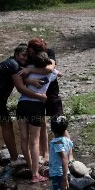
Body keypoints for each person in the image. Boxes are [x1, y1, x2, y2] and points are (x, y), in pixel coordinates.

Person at [0, 45, 47, 171]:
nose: (25, 58)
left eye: (27, 56)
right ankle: (14, 159)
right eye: (23, 55)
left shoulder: (12, 64)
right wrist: (38, 96)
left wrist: (30, 81)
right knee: (7, 124)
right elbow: (20, 88)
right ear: (16, 54)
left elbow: (22, 79)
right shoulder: (13, 64)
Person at [19, 37, 68, 165]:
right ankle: (44, 154)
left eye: (32, 52)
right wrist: (29, 80)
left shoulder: (49, 53)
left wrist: (30, 71)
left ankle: (69, 155)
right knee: (41, 123)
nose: (30, 54)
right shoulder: (29, 57)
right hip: (37, 96)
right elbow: (19, 78)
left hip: (50, 93)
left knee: (58, 120)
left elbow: (50, 69)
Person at [16, 51, 58, 182]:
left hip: (22, 104)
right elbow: (58, 73)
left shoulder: (27, 72)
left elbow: (22, 80)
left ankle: (30, 167)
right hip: (36, 106)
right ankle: (35, 175)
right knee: (34, 141)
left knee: (24, 138)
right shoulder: (51, 73)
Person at [48, 116, 76, 190]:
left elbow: (64, 159)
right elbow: (61, 159)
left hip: (59, 176)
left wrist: (64, 178)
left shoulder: (57, 143)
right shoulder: (66, 140)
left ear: (52, 129)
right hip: (58, 174)